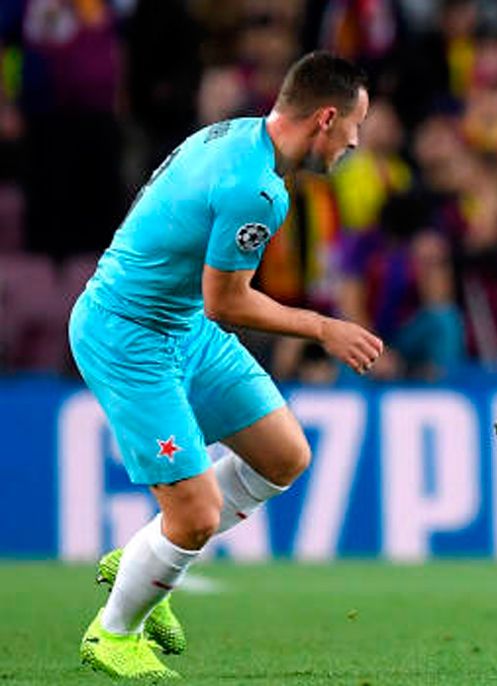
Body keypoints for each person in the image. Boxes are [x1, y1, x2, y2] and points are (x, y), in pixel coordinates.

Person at [68, 51, 383, 679]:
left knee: (284, 455)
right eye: (354, 126)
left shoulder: (234, 135)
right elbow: (228, 302)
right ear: (326, 118)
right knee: (195, 514)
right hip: (128, 336)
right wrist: (323, 326)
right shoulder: (258, 190)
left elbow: (204, 300)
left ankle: (140, 559)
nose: (355, 142)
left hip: (180, 324)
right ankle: (113, 633)